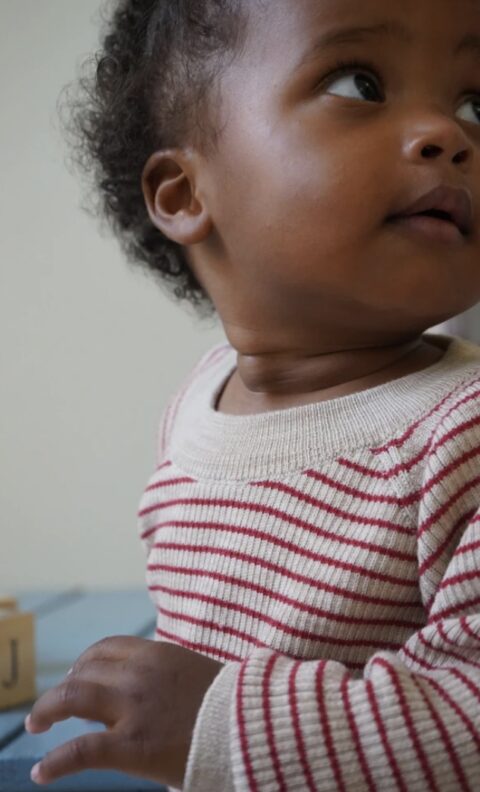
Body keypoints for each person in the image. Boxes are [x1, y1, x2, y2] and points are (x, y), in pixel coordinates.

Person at [25, 0, 480, 789]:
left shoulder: (461, 435)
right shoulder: (196, 407)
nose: (450, 134)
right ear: (183, 193)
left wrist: (221, 719)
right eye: (360, 83)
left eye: (475, 104)